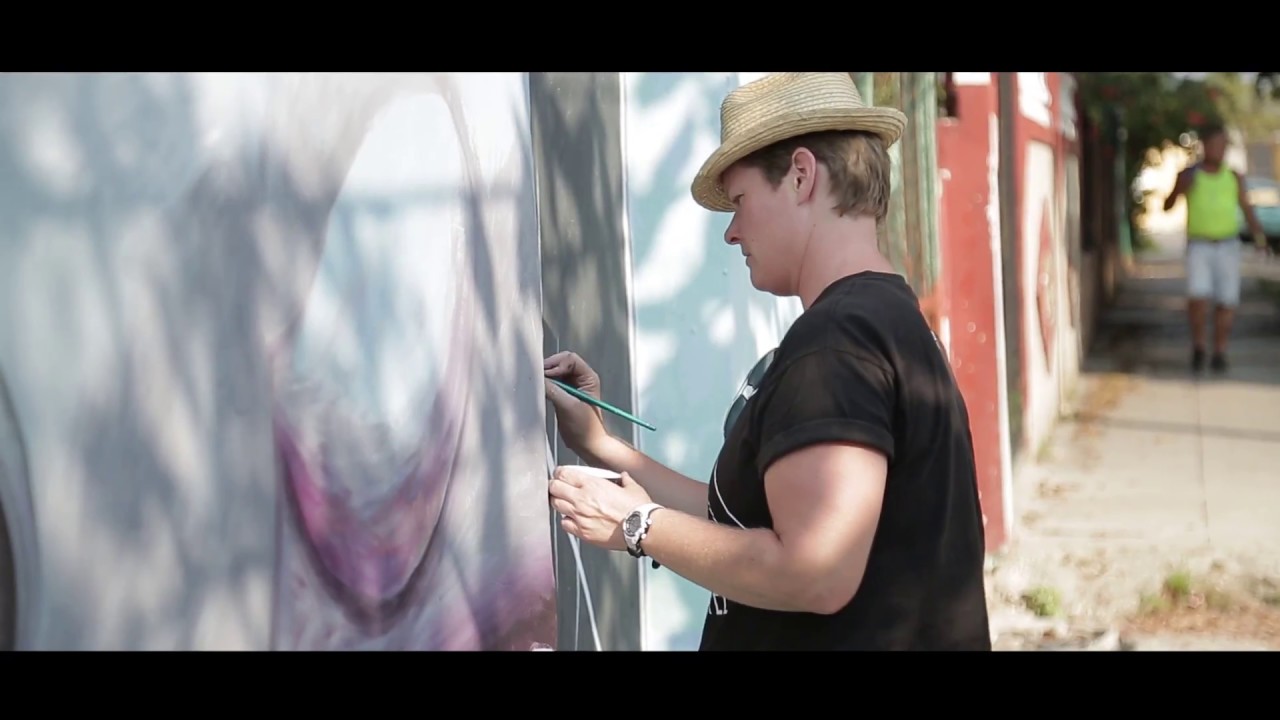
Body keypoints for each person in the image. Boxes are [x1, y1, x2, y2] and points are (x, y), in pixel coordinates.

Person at [544, 72, 992, 650]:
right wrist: (603, 445)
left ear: (802, 176)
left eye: (740, 201)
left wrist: (637, 525)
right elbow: (733, 515)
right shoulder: (882, 319)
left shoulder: (837, 342)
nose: (731, 232)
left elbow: (816, 572)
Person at [1162, 122, 1268, 373]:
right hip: (1200, 246)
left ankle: (1220, 350)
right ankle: (1199, 346)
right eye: (1214, 145)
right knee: (1198, 298)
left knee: (1226, 302)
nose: (1218, 150)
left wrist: (1259, 238)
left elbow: (1247, 208)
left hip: (1228, 245)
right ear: (1204, 146)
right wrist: (1180, 187)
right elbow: (1167, 205)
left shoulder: (1233, 177)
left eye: (1223, 146)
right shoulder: (1190, 174)